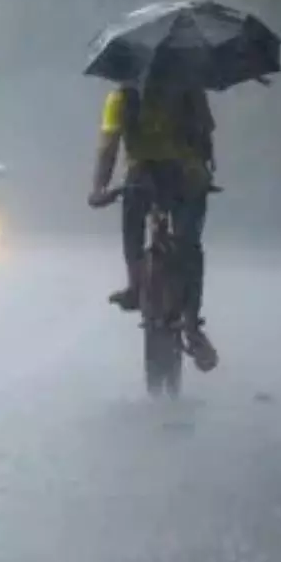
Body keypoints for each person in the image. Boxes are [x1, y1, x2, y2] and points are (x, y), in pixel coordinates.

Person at [87, 73, 218, 371]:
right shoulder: (187, 88)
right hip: (165, 176)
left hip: (171, 176)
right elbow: (206, 136)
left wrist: (99, 189)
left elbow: (108, 147)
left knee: (178, 240)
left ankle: (176, 312)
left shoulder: (126, 97)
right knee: (186, 244)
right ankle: (178, 314)